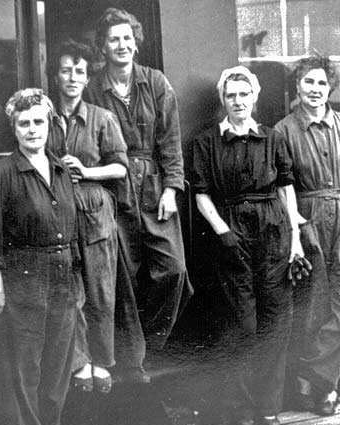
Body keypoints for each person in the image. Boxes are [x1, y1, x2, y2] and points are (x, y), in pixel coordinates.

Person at [0, 88, 87, 425]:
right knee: (25, 369)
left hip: (62, 277)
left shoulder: (60, 169)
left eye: (39, 121)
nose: (33, 129)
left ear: (50, 124)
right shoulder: (1, 174)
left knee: (57, 366)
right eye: (24, 123)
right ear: (14, 128)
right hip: (25, 279)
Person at [191, 66, 305, 425]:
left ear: (254, 97)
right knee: (240, 323)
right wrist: (222, 231)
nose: (238, 101)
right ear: (223, 100)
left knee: (276, 323)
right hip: (231, 234)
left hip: (274, 232)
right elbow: (201, 193)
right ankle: (239, 406)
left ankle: (268, 407)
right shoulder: (207, 142)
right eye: (231, 95)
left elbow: (287, 188)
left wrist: (296, 241)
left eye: (244, 94)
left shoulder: (272, 139)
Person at [86, 8, 193, 383]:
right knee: (125, 277)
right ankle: (134, 360)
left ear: (136, 42)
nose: (121, 45)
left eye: (127, 38)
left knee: (173, 270)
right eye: (113, 39)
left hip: (153, 185)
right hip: (113, 189)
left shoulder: (156, 83)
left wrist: (171, 189)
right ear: (103, 45)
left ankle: (148, 340)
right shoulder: (92, 88)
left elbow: (171, 142)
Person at [275, 56, 340, 416]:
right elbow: (281, 185)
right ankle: (327, 388)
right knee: (315, 309)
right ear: (297, 87)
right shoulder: (284, 131)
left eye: (320, 83)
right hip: (309, 224)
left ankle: (310, 373)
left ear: (329, 87)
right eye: (307, 83)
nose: (314, 90)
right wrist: (299, 225)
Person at [46, 40, 129, 394]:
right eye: (66, 70)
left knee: (100, 291)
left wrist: (86, 172)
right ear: (55, 75)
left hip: (95, 213)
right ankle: (79, 361)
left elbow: (122, 168)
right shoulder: (44, 118)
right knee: (69, 291)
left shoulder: (101, 118)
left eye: (80, 71)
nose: (73, 78)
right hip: (58, 212)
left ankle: (102, 359)